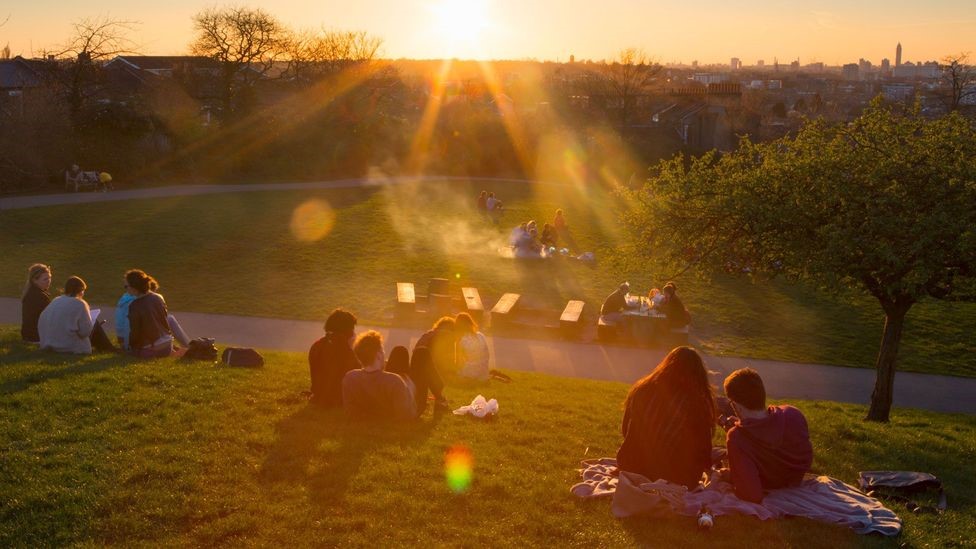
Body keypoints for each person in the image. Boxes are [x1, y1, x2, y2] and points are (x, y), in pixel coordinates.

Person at [616, 347, 716, 488]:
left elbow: (625, 429)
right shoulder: (697, 402)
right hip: (678, 477)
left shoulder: (642, 389)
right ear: (698, 374)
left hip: (632, 467)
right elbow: (703, 447)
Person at [722, 368, 813, 503]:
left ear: (736, 405)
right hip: (795, 478)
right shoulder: (793, 414)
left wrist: (731, 475)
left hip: (770, 484)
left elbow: (751, 495)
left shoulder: (737, 438)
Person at [342, 330, 416, 421]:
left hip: (369, 415)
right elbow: (405, 416)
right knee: (406, 352)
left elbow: (350, 411)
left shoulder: (350, 377)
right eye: (383, 351)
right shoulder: (395, 381)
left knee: (399, 351)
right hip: (403, 402)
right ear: (378, 355)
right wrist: (410, 388)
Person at [308, 308, 362, 408]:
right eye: (352, 328)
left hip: (319, 395)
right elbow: (358, 373)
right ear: (347, 329)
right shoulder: (343, 348)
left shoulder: (317, 345)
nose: (353, 332)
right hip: (338, 399)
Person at [37, 276, 96, 354]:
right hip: (68, 346)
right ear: (81, 290)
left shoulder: (56, 300)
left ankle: (108, 347)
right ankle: (108, 347)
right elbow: (85, 332)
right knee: (95, 325)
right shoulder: (80, 304)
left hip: (48, 343)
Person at [126, 270, 177, 358]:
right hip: (167, 346)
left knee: (129, 352)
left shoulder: (134, 305)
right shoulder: (159, 297)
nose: (126, 288)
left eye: (126, 286)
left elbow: (135, 333)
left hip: (151, 349)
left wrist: (130, 346)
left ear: (134, 288)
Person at [21, 263, 52, 342]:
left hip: (28, 334)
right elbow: (50, 318)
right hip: (36, 336)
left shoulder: (30, 292)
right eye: (45, 279)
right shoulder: (39, 296)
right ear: (35, 280)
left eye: (49, 278)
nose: (49, 281)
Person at [455, 312, 489, 380]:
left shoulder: (461, 340)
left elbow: (458, 362)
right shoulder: (481, 335)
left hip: (470, 373)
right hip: (483, 372)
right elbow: (487, 355)